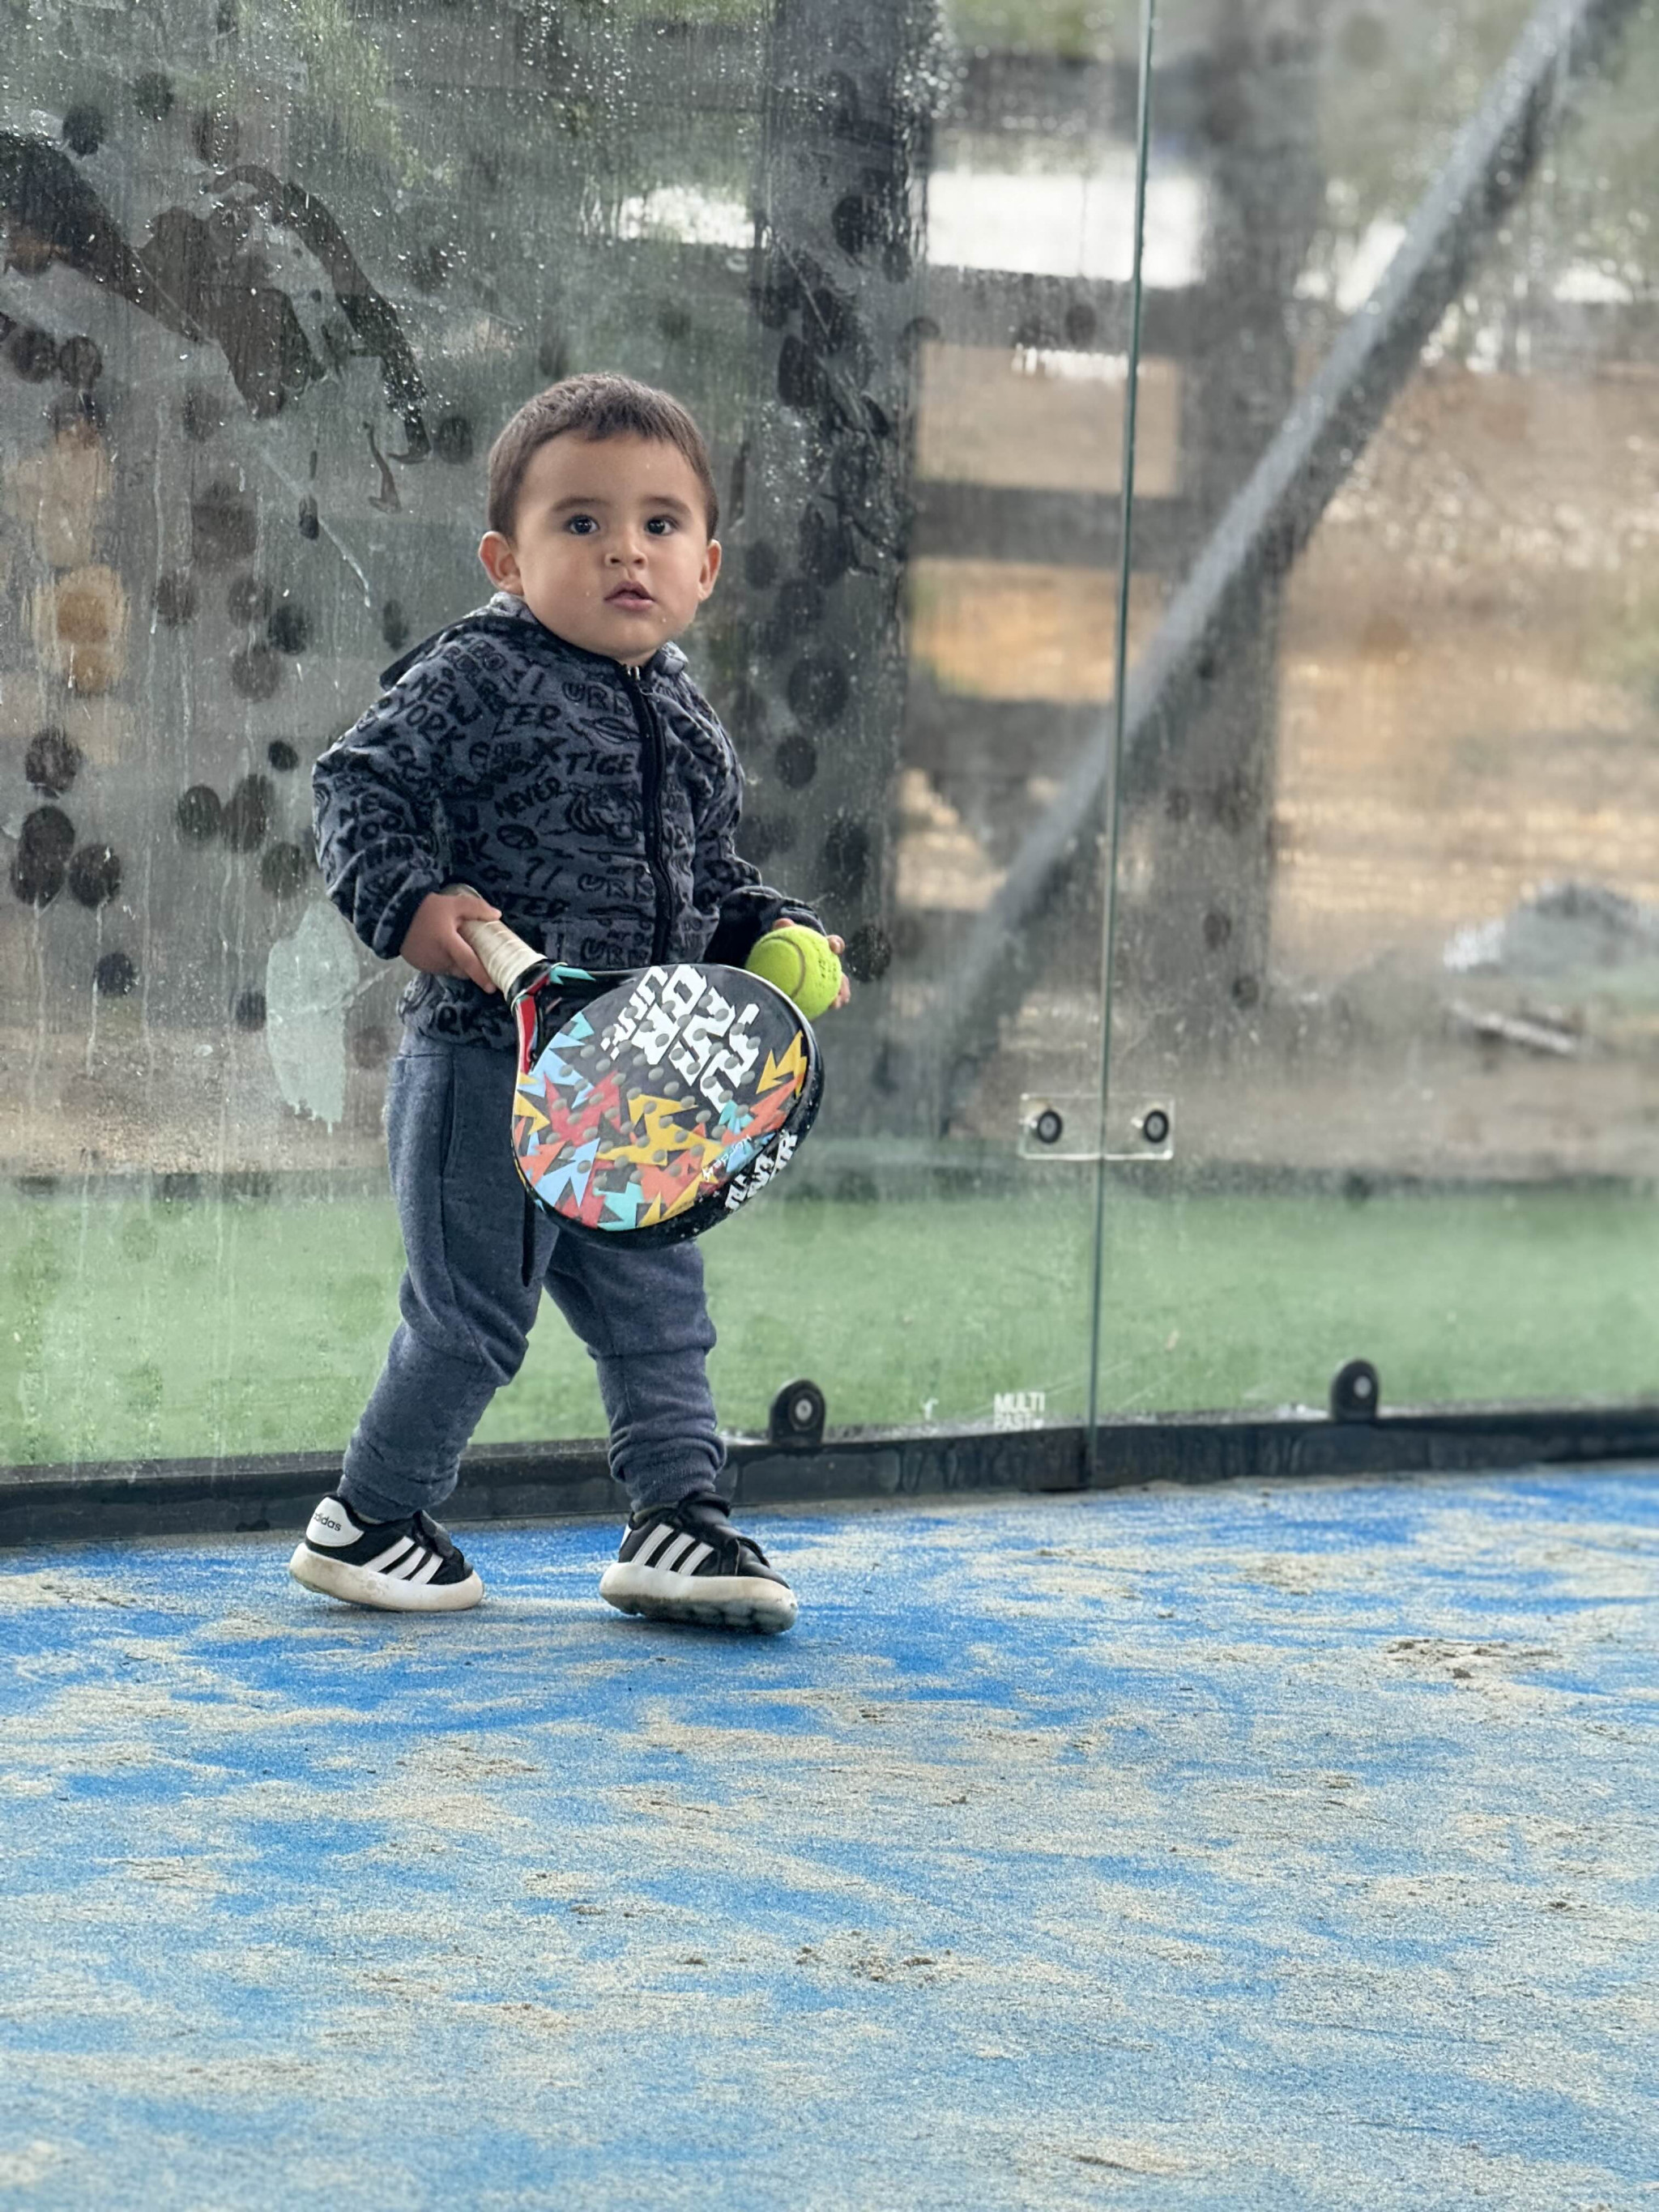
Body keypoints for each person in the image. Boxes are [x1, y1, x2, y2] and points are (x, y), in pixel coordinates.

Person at [291, 373, 847, 1633]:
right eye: (582, 523)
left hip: (636, 1087)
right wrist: (410, 904)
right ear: (507, 559)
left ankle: (678, 1519)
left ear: (706, 565)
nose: (625, 552)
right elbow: (356, 787)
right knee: (473, 1320)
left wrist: (771, 932)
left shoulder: (691, 724)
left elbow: (707, 886)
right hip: (487, 1066)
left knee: (661, 1318)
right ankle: (369, 1519)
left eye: (660, 524)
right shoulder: (478, 674)